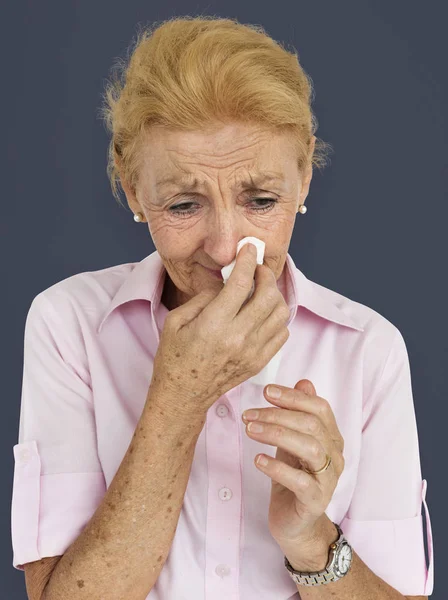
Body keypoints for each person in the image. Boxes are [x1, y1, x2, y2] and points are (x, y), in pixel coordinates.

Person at [11, 15, 433, 600]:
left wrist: (312, 540)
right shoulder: (69, 325)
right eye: (184, 205)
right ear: (134, 188)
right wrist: (179, 396)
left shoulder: (369, 350)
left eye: (261, 199)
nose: (226, 248)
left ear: (305, 175)